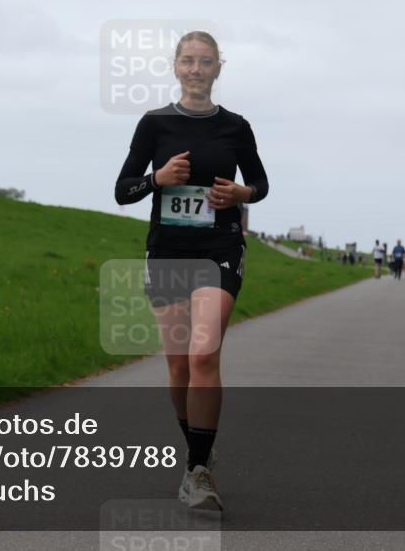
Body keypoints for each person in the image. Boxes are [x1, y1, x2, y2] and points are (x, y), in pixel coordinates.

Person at [115, 31, 267, 511]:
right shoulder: (154, 124)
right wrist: (157, 180)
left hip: (220, 246)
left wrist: (241, 195)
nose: (197, 69)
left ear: (219, 68)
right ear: (176, 67)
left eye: (206, 61)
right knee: (179, 364)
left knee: (204, 354)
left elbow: (260, 184)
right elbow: (123, 190)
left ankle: (197, 473)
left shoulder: (237, 127)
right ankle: (199, 448)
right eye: (188, 61)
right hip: (168, 251)